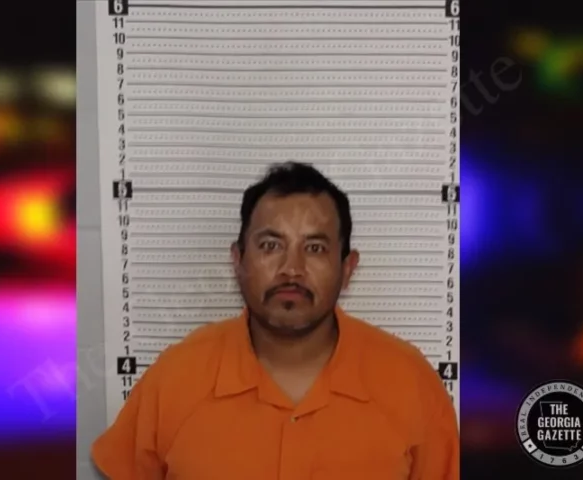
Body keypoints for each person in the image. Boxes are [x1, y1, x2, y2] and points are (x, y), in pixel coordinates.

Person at [91, 161, 459, 479]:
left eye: (315, 248)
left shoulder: (410, 382)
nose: (291, 269)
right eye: (271, 245)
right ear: (238, 261)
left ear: (348, 268)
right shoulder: (174, 380)